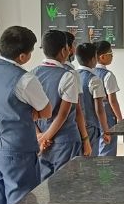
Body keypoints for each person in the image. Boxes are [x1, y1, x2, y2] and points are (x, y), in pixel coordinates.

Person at [0, 26, 52, 204]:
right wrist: (30, 113)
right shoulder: (25, 79)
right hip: (17, 149)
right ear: (23, 56)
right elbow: (46, 110)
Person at [33, 30, 88, 179]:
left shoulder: (32, 74)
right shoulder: (68, 75)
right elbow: (64, 114)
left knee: (44, 184)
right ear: (64, 50)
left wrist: (40, 136)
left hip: (42, 141)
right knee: (67, 185)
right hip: (65, 140)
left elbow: (29, 111)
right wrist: (85, 139)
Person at [75, 42, 111, 156]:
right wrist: (106, 130)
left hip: (75, 126)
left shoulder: (72, 75)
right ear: (93, 59)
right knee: (90, 159)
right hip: (90, 127)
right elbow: (99, 109)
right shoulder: (94, 80)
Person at [93, 40, 123, 156]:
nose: (112, 56)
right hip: (107, 117)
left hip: (92, 118)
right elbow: (113, 101)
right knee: (107, 150)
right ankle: (106, 169)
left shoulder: (88, 73)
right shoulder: (108, 75)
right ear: (103, 57)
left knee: (95, 149)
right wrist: (120, 119)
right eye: (110, 53)